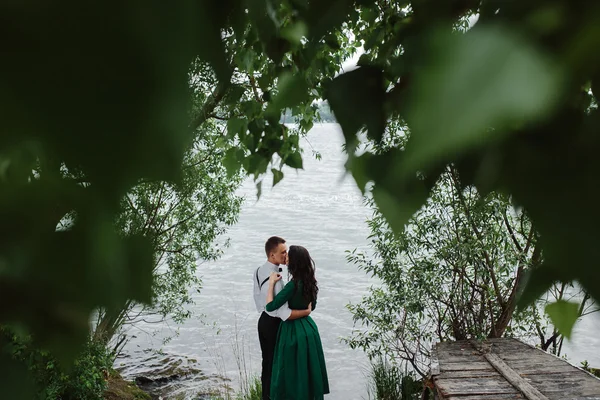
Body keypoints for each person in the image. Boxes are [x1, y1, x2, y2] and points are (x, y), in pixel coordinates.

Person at [266, 245, 329, 400]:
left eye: (288, 256)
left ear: (294, 262)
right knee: (307, 369)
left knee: (290, 370)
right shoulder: (311, 282)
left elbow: (270, 306)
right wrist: (305, 311)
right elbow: (311, 306)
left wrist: (271, 284)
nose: (286, 257)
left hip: (292, 331)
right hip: (309, 329)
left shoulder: (292, 285)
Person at [254, 236, 312, 400]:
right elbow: (284, 313)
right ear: (272, 255)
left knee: (267, 363)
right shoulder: (278, 281)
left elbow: (257, 298)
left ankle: (265, 395)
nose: (286, 255)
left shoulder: (259, 270)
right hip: (275, 325)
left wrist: (266, 312)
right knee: (276, 365)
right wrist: (305, 312)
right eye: (283, 252)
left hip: (263, 321)